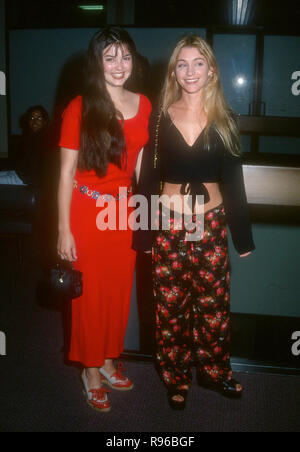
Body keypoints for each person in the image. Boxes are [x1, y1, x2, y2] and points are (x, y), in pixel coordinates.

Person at [133, 35, 255, 410]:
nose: (190, 71)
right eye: (182, 64)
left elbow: (233, 179)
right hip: (169, 225)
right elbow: (149, 179)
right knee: (170, 308)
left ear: (212, 70)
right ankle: (176, 376)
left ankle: (215, 371)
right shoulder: (159, 117)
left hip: (212, 224)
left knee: (214, 306)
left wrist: (242, 237)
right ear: (174, 71)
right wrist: (144, 233)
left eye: (198, 63)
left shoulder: (227, 120)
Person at [57, 27, 151, 413]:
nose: (118, 65)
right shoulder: (79, 107)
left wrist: (146, 214)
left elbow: (141, 162)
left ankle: (110, 358)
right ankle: (90, 370)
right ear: (96, 62)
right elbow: (64, 173)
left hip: (124, 213)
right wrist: (63, 228)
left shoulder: (145, 103)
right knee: (88, 298)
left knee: (117, 293)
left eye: (125, 55)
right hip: (86, 211)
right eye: (109, 56)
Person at [0, 106, 49, 186]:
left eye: (39, 118)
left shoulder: (46, 141)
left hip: (25, 180)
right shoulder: (29, 137)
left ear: (44, 121)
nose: (34, 121)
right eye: (32, 118)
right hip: (18, 173)